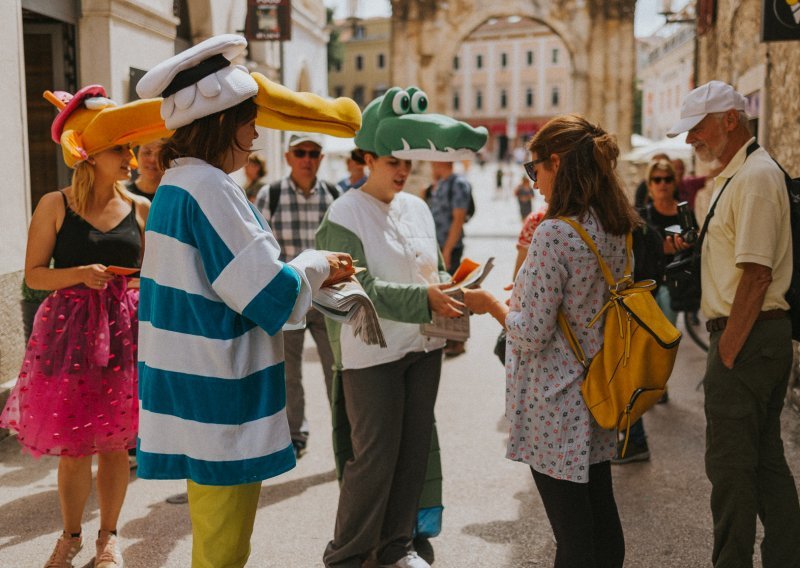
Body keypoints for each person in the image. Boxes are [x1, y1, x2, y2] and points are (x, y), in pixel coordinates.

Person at [134, 34, 359, 568]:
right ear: (222, 122)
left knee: (216, 540)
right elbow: (273, 298)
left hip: (192, 387)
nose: (256, 132)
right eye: (249, 119)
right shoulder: (210, 188)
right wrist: (319, 262)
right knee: (224, 550)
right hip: (220, 392)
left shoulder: (174, 184)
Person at [317, 86, 486, 568]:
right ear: (368, 157)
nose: (403, 169)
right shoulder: (344, 212)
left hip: (422, 347)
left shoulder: (416, 207)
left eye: (407, 162)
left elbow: (426, 270)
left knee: (412, 453)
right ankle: (347, 556)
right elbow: (354, 288)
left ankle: (397, 547)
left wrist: (452, 286)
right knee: (372, 460)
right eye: (393, 160)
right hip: (370, 355)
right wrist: (425, 297)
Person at [0, 84, 168, 568]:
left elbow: (155, 275)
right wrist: (80, 274)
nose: (130, 158)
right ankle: (70, 537)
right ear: (89, 153)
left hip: (121, 332)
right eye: (119, 148)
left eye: (130, 149)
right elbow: (34, 275)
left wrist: (135, 285)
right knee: (74, 446)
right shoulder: (55, 204)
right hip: (67, 332)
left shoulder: (141, 208)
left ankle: (107, 540)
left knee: (115, 444)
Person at [464, 113, 638, 568]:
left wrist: (491, 304)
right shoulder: (615, 225)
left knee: (573, 538)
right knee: (601, 515)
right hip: (598, 390)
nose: (533, 180)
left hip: (556, 402)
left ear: (556, 163)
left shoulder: (554, 233)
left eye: (534, 168)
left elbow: (529, 332)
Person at [667, 80, 800, 567]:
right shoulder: (740, 175)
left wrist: (726, 353)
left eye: (696, 129)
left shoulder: (757, 177)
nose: (689, 141)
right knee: (763, 464)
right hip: (751, 337)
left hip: (746, 338)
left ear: (729, 119)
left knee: (730, 470)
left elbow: (757, 274)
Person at [254, 132, 340, 458]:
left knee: (337, 369)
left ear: (320, 158)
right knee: (290, 372)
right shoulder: (270, 195)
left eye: (313, 153)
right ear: (288, 157)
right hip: (289, 299)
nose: (307, 159)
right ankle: (295, 433)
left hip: (327, 299)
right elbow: (259, 249)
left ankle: (342, 429)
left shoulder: (334, 195)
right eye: (300, 152)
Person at [613, 158, 696, 464]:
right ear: (649, 184)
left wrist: (685, 245)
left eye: (667, 179)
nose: (662, 184)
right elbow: (645, 251)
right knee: (646, 350)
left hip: (672, 285)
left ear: (674, 182)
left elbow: (695, 245)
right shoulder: (642, 216)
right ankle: (654, 387)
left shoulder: (684, 212)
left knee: (662, 342)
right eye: (657, 179)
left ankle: (656, 385)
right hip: (649, 290)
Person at [429, 160, 473, 357]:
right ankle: (450, 338)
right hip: (438, 246)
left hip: (450, 247)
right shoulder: (441, 183)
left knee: (454, 292)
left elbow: (458, 218)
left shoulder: (458, 183)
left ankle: (458, 340)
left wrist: (446, 251)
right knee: (446, 291)